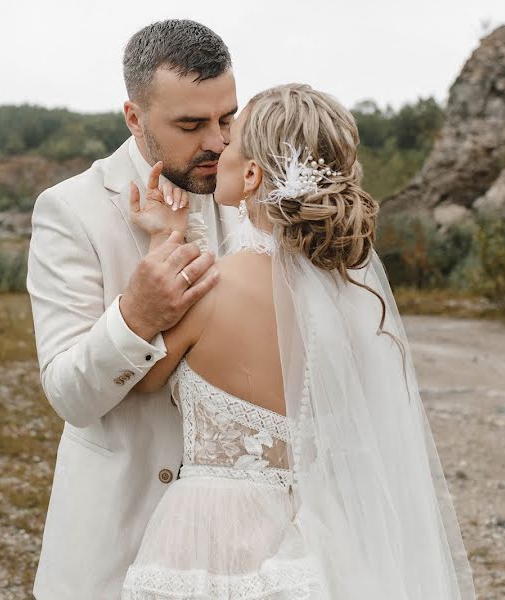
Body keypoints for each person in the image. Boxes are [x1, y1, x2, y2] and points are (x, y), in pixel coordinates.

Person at [119, 83, 476, 600]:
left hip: (210, 538)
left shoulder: (209, 288)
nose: (218, 146)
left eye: (232, 138)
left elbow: (143, 379)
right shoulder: (348, 301)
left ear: (251, 175)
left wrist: (163, 240)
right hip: (320, 536)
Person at [26, 20, 238, 600]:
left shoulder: (252, 198)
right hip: (114, 549)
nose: (218, 142)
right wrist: (137, 317)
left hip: (238, 549)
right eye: (191, 125)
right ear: (134, 118)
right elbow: (69, 395)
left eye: (228, 118)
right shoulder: (69, 212)